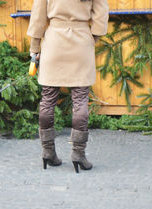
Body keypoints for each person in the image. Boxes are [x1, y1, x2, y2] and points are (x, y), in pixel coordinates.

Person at [27, 0, 109, 173]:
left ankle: (47, 151)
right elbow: (101, 14)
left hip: (54, 41)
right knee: (80, 101)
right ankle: (78, 154)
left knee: (48, 100)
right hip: (81, 42)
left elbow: (38, 15)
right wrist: (92, 38)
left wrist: (35, 47)